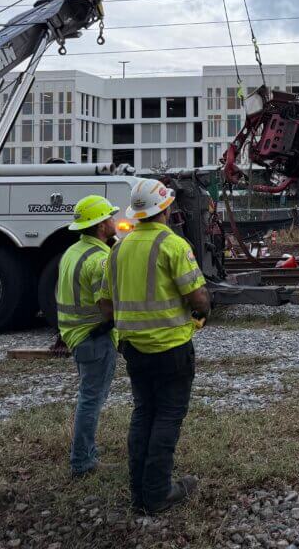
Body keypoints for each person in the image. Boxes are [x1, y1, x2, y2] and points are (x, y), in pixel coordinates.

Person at [98, 178, 211, 515]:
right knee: (167, 417)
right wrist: (201, 311)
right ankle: (158, 493)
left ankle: (139, 494)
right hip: (172, 348)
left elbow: (105, 306)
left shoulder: (119, 248)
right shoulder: (173, 245)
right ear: (165, 207)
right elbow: (199, 298)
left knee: (143, 413)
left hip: (133, 348)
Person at [57, 194, 120, 478]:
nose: (114, 221)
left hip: (76, 335)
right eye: (110, 217)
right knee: (91, 399)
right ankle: (82, 461)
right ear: (100, 226)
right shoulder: (99, 260)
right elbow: (106, 308)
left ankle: (84, 455)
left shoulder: (73, 252)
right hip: (95, 337)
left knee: (88, 396)